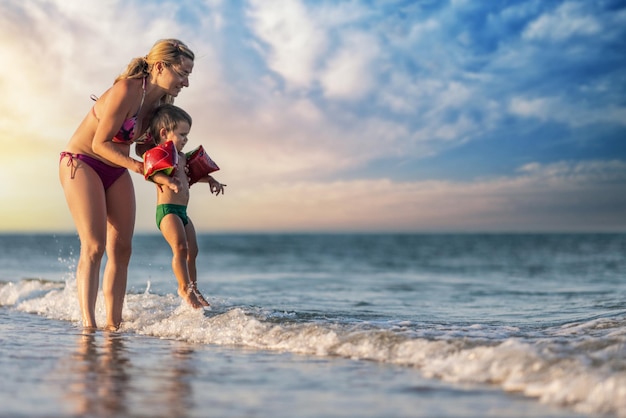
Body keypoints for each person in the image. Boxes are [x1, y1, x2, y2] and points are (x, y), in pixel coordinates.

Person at [59, 39, 195, 330]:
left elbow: (146, 152)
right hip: (82, 162)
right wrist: (138, 168)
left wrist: (179, 170)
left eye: (189, 76)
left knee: (122, 250)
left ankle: (113, 326)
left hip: (116, 168)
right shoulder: (127, 90)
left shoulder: (163, 105)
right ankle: (89, 326)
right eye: (182, 73)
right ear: (160, 66)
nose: (186, 82)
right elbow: (100, 142)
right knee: (94, 246)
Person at [143, 104, 225, 308]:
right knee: (180, 247)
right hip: (167, 211)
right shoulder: (161, 155)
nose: (186, 139)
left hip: (183, 212)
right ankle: (183, 288)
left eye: (187, 135)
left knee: (192, 250)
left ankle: (193, 287)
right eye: (182, 135)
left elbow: (195, 175)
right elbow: (152, 173)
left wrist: (212, 181)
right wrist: (168, 181)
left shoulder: (182, 157)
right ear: (164, 133)